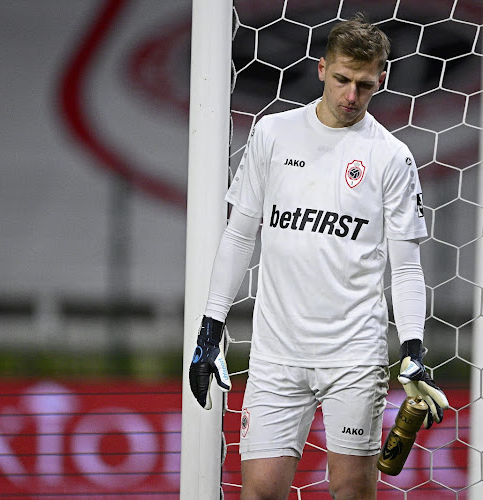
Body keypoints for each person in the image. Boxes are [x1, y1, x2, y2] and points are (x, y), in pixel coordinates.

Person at [189, 13, 449, 499]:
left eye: (365, 86)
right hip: (276, 353)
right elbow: (240, 236)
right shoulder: (272, 134)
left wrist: (413, 350)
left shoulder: (391, 157)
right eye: (343, 80)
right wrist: (210, 328)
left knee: (351, 490)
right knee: (261, 491)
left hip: (354, 354)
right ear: (321, 69)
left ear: (382, 80)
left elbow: (407, 265)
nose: (351, 96)